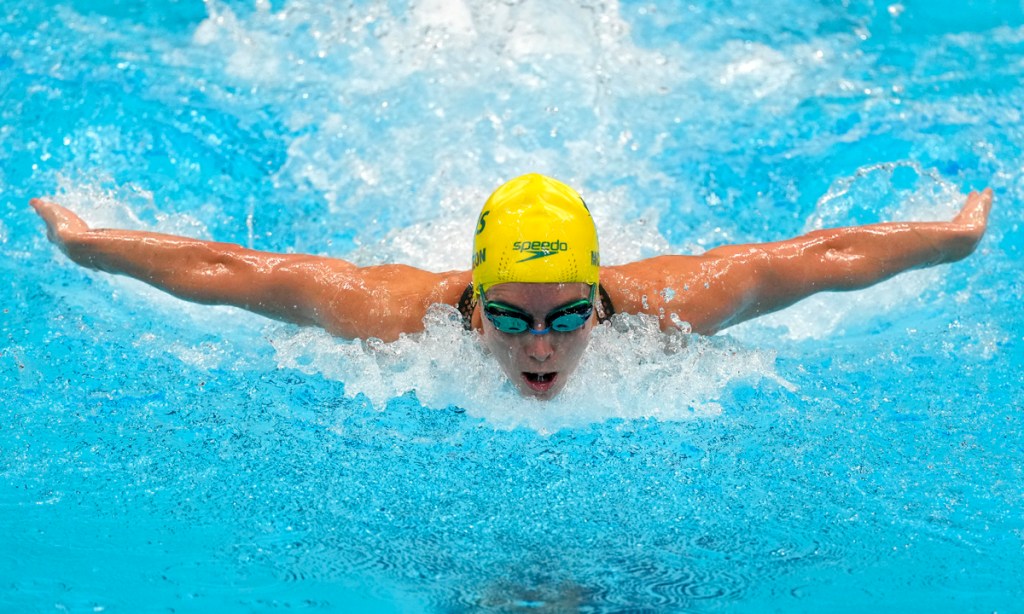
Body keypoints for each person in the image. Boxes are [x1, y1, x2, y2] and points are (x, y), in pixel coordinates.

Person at [31, 173, 993, 399]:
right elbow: (235, 272)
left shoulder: (669, 304)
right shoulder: (398, 314)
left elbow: (809, 259)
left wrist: (947, 242)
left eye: (572, 314)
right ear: (474, 299)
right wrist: (89, 247)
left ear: (600, 297)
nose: (542, 344)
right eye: (513, 317)